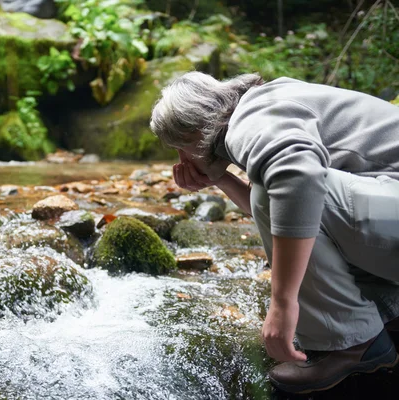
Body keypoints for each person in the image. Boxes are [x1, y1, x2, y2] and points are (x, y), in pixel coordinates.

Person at [150, 71, 399, 394]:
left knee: (281, 191)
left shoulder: (251, 116)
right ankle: (387, 314)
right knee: (280, 200)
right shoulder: (268, 103)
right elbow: (285, 214)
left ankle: (349, 343)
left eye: (179, 148)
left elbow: (297, 181)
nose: (182, 160)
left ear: (193, 130)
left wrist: (282, 303)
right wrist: (220, 178)